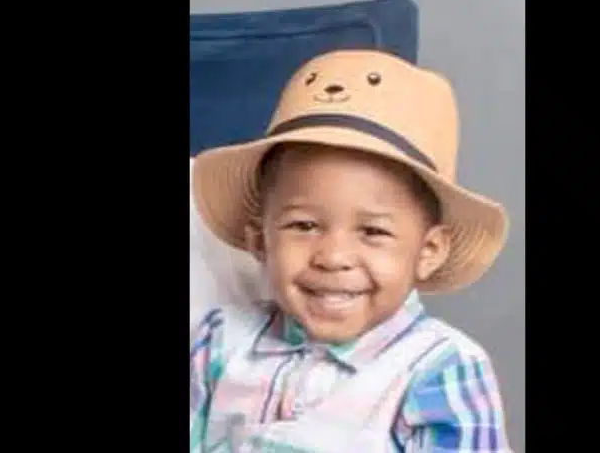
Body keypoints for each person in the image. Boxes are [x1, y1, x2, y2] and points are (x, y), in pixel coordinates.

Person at [190, 48, 514, 452]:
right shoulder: (219, 341)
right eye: (304, 225)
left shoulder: (440, 370)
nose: (332, 257)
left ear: (429, 251)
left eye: (373, 231)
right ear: (260, 240)